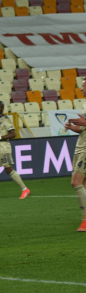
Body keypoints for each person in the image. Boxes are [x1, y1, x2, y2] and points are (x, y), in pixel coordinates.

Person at [64, 80, 86, 231]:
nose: (81, 88)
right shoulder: (85, 104)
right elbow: (83, 128)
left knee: (76, 182)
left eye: (84, 85)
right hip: (81, 145)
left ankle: (85, 221)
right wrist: (74, 127)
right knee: (83, 184)